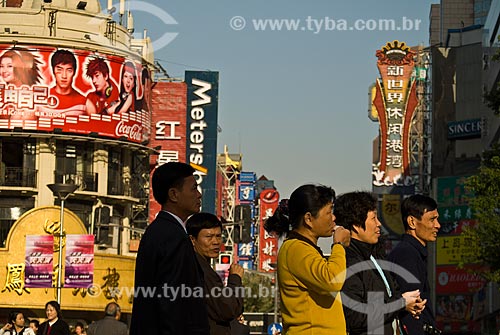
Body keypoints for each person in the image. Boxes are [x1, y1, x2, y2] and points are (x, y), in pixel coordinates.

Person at [130, 162, 209, 335]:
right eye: (193, 189)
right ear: (174, 194)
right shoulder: (174, 237)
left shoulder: (158, 231)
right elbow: (173, 303)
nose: (199, 194)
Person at [334, 191, 426, 335]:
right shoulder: (349, 263)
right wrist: (400, 303)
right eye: (374, 218)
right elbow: (355, 317)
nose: (379, 224)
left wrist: (408, 304)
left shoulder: (375, 256)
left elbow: (388, 299)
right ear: (357, 226)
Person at [264, 184, 351, 334]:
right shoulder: (296, 249)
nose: (334, 218)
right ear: (309, 219)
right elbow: (333, 280)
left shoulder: (304, 248)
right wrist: (338, 245)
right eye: (329, 212)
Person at [387, 195, 441, 335]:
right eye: (432, 219)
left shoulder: (411, 252)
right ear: (412, 222)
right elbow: (413, 312)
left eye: (437, 219)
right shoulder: (406, 254)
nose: (437, 225)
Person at [186, 212, 244, 335]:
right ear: (192, 239)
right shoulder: (201, 269)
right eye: (209, 237)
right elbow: (228, 309)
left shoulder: (198, 265)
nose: (216, 242)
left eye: (218, 236)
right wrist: (235, 278)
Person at [46, 49, 87, 116]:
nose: (64, 76)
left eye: (69, 70)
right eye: (59, 70)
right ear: (53, 71)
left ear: (74, 72)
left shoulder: (84, 102)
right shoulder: (42, 99)